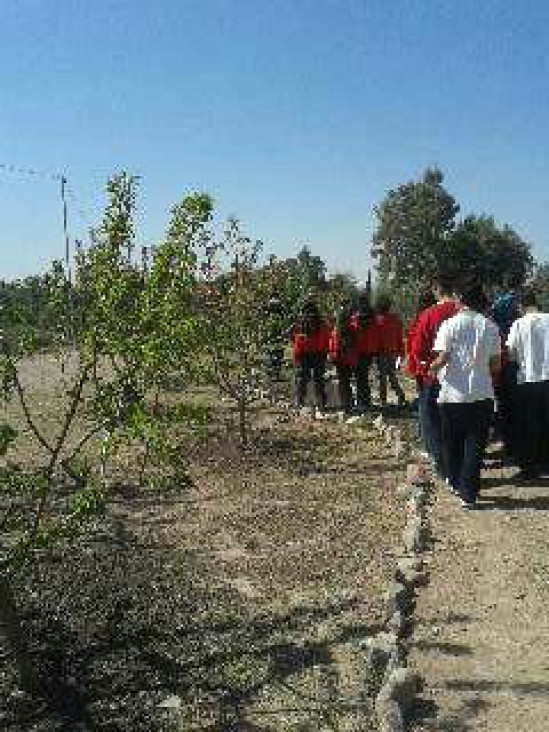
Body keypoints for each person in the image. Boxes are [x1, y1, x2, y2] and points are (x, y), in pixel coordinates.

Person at [430, 284, 501, 508]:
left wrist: (430, 367)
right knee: (476, 443)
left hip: (452, 395)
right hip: (482, 394)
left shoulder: (449, 325)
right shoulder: (490, 326)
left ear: (461, 300)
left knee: (452, 441)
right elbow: (496, 364)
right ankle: (469, 493)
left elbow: (443, 358)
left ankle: (455, 480)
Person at [407, 271, 458, 476]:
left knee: (432, 419)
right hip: (463, 377)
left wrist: (423, 365)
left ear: (436, 289)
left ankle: (441, 464)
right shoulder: (462, 310)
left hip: (434, 374)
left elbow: (418, 348)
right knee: (455, 421)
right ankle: (457, 464)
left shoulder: (428, 314)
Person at [506, 287, 549, 479]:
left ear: (520, 306)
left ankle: (530, 467)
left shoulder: (518, 324)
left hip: (527, 379)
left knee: (528, 425)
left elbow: (511, 353)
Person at [291, 299, 330, 412]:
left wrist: (296, 355)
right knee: (319, 379)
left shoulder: (300, 322)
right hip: (319, 353)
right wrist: (326, 352)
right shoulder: (321, 322)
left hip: (303, 354)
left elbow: (296, 339)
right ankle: (321, 403)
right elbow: (327, 336)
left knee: (302, 379)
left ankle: (300, 402)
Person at [374, 293, 407, 408]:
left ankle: (384, 401)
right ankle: (401, 396)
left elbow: (377, 338)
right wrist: (401, 352)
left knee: (382, 377)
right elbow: (399, 337)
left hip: (382, 352)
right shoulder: (396, 319)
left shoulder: (378, 320)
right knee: (392, 376)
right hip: (392, 352)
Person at [350, 292, 379, 412]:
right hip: (369, 351)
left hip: (358, 351)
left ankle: (361, 402)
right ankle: (366, 401)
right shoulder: (373, 318)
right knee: (364, 377)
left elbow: (353, 334)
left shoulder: (355, 319)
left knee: (359, 377)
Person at [329, 299, 357, 414]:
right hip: (349, 358)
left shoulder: (336, 331)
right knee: (347, 381)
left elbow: (334, 345)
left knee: (343, 382)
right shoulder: (352, 329)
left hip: (340, 358)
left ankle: (346, 405)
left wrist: (332, 356)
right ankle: (349, 403)